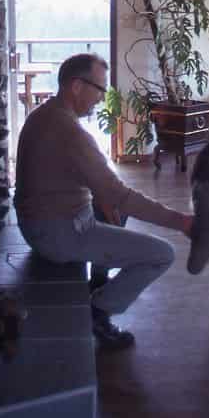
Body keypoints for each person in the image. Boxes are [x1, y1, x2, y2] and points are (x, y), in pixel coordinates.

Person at [14, 53, 193, 351]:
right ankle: (98, 311)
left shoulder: (46, 114)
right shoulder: (70, 132)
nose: (101, 98)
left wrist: (104, 196)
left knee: (114, 209)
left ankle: (98, 282)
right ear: (76, 86)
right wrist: (182, 221)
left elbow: (94, 185)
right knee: (161, 254)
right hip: (57, 232)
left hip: (37, 222)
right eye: (99, 89)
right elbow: (120, 194)